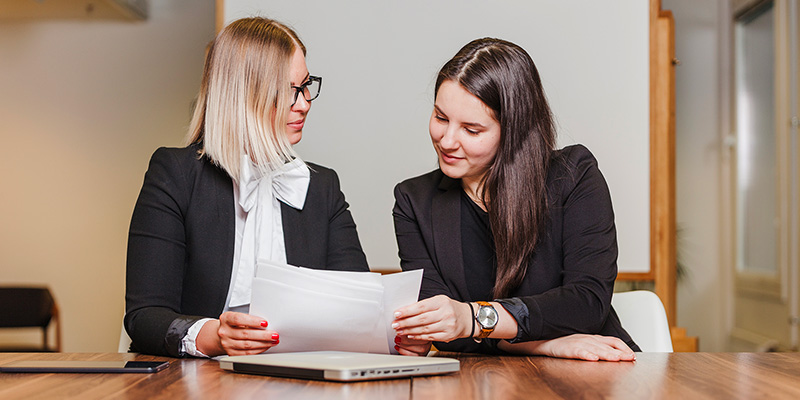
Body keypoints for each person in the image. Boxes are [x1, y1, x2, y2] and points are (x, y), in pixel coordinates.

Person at [125, 17, 369, 358]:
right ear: (242, 95)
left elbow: (359, 304)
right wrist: (215, 336)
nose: (304, 103)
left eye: (306, 85)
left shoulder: (321, 187)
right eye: (288, 91)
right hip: (198, 384)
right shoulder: (175, 175)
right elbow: (144, 318)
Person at [391, 38, 639, 361]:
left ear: (514, 131)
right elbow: (446, 330)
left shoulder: (574, 176)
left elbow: (586, 302)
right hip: (483, 383)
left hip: (595, 371)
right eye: (440, 118)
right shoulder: (413, 202)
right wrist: (548, 343)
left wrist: (472, 319)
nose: (447, 140)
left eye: (471, 129)